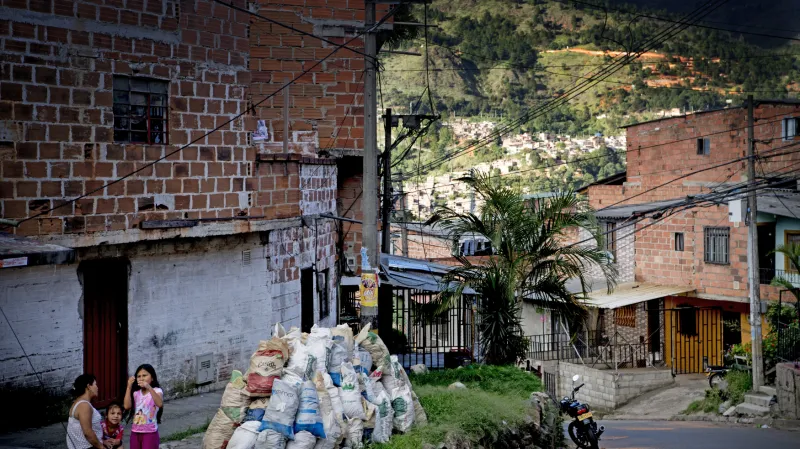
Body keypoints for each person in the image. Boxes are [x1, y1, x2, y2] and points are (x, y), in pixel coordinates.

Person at [124, 364, 164, 449]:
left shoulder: (157, 391)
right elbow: (127, 406)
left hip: (150, 432)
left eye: (144, 375)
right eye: (139, 376)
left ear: (152, 378)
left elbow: (159, 404)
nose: (141, 378)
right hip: (135, 431)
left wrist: (149, 387)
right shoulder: (136, 393)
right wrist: (128, 387)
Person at [66, 374, 104, 449]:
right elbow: (88, 433)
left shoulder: (80, 402)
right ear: (89, 386)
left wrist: (103, 441)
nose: (97, 387)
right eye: (95, 384)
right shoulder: (84, 406)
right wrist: (101, 447)